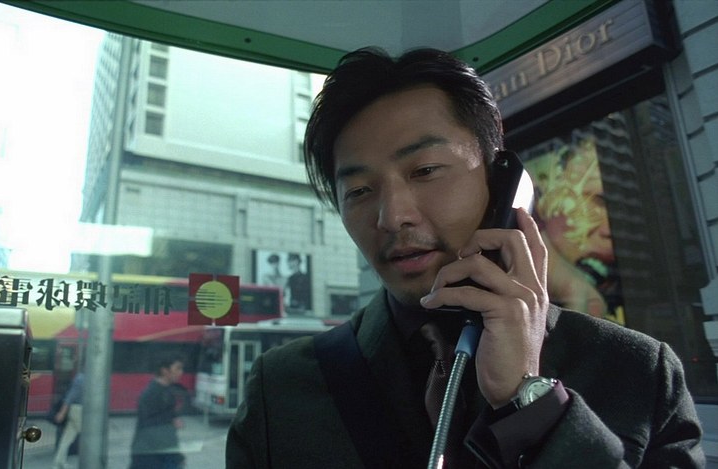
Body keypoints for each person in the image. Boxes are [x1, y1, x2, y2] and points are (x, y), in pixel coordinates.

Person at [226, 47, 705, 468]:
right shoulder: (282, 390)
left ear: (501, 182)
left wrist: (532, 404)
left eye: (426, 170)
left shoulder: (636, 372)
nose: (392, 217)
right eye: (359, 191)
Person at [130, 353, 186, 469]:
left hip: (163, 452)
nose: (181, 372)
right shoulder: (151, 394)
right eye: (178, 368)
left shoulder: (167, 390)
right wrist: (171, 421)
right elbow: (148, 427)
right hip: (150, 456)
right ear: (165, 370)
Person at [51, 371, 83, 469]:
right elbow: (70, 397)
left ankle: (58, 462)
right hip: (79, 411)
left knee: (67, 438)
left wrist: (63, 413)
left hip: (75, 410)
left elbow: (70, 397)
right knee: (88, 436)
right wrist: (62, 413)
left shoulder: (80, 377)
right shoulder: (82, 379)